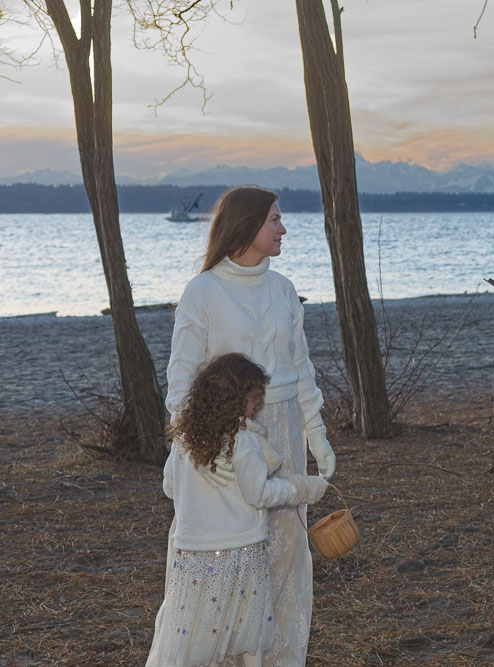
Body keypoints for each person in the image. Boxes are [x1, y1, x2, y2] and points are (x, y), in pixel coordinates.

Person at [153, 185, 337, 666]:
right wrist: (188, 445)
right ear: (246, 224)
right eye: (274, 219)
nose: (283, 228)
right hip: (224, 436)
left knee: (283, 554)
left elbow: (300, 364)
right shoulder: (203, 291)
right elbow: (181, 376)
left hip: (284, 427)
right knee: (226, 557)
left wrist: (314, 429)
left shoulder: (283, 288)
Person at [147, 353, 329, 667]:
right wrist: (302, 488)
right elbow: (259, 494)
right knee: (249, 624)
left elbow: (169, 488)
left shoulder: (184, 441)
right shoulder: (241, 441)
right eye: (254, 398)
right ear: (233, 400)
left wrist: (201, 491)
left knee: (192, 626)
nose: (257, 406)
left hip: (192, 552)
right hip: (241, 549)